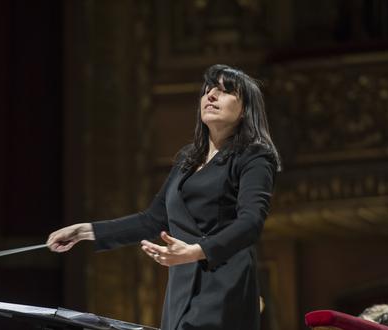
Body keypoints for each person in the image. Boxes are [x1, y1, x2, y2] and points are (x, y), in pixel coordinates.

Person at [47, 64, 281, 330]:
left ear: (244, 111)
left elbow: (251, 222)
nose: (211, 96)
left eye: (225, 91)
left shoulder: (255, 156)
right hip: (181, 288)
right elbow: (152, 220)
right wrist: (84, 231)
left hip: (225, 283)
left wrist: (197, 251)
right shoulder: (187, 159)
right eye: (207, 90)